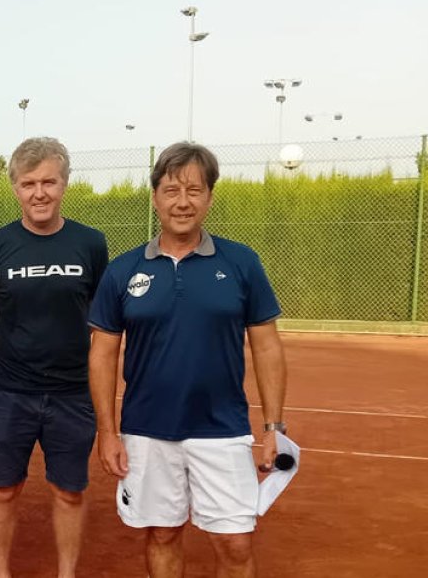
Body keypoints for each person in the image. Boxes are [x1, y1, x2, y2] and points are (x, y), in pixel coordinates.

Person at [87, 142, 288, 578]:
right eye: (172, 190)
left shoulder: (241, 263)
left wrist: (274, 428)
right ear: (155, 196)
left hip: (222, 429)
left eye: (194, 190)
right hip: (146, 430)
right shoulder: (123, 270)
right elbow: (102, 353)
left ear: (210, 197)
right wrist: (107, 432)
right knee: (161, 535)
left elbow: (267, 346)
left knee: (235, 543)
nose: (183, 202)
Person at [0, 137, 109, 578]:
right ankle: (1, 572)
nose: (40, 192)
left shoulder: (90, 243)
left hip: (72, 393)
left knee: (69, 492)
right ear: (15, 189)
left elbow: (100, 317)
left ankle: (66, 573)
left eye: (49, 181)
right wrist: (15, 351)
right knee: (4, 489)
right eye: (29, 183)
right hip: (10, 392)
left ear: (64, 184)